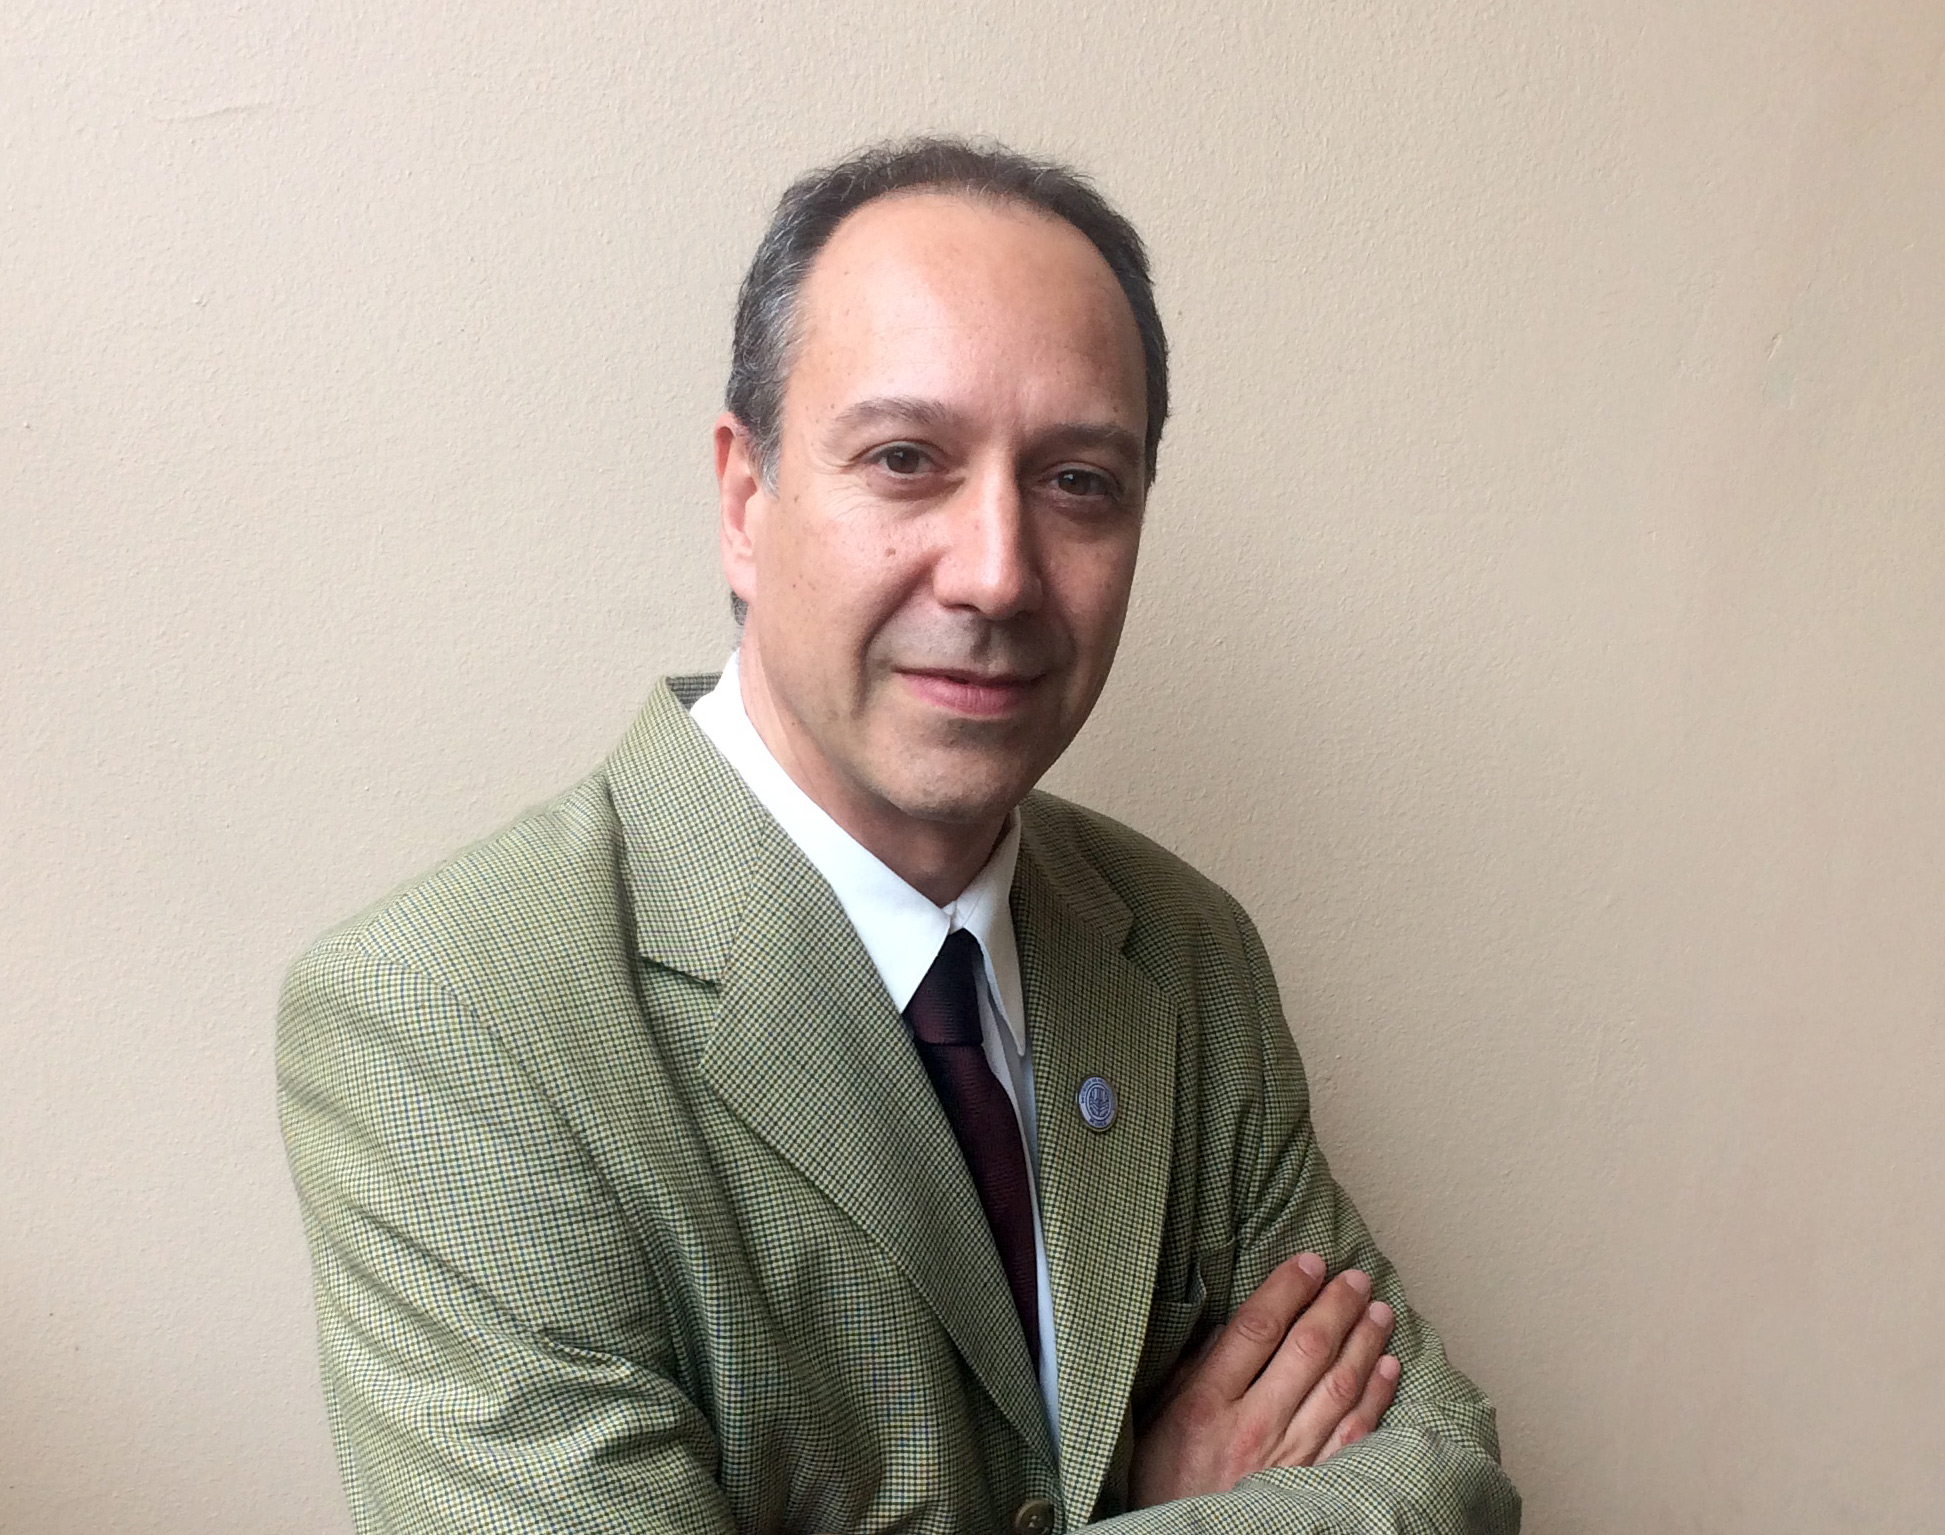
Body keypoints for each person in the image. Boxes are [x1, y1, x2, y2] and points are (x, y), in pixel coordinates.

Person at [279, 137, 1519, 1534]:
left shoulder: (1185, 951)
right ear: (744, 499)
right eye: (906, 459)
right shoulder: (446, 1021)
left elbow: (1447, 1476)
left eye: (1078, 481)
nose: (996, 573)